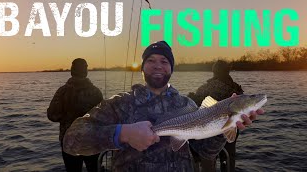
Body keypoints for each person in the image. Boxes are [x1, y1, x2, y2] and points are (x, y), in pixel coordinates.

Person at [63, 41, 263, 172]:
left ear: (171, 68)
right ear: (142, 68)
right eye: (150, 60)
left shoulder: (187, 104)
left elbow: (205, 151)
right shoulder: (120, 103)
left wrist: (226, 128)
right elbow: (71, 141)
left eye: (164, 61)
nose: (157, 65)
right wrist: (122, 133)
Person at [47, 58, 103, 172]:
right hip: (92, 141)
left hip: (69, 142)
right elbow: (104, 117)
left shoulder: (62, 91)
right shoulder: (96, 92)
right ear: (86, 71)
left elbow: (52, 115)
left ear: (72, 70)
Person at [188, 60, 244, 172]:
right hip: (230, 129)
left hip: (210, 130)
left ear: (214, 71)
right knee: (229, 157)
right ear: (228, 71)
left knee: (209, 159)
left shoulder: (206, 87)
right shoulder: (236, 89)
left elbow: (195, 107)